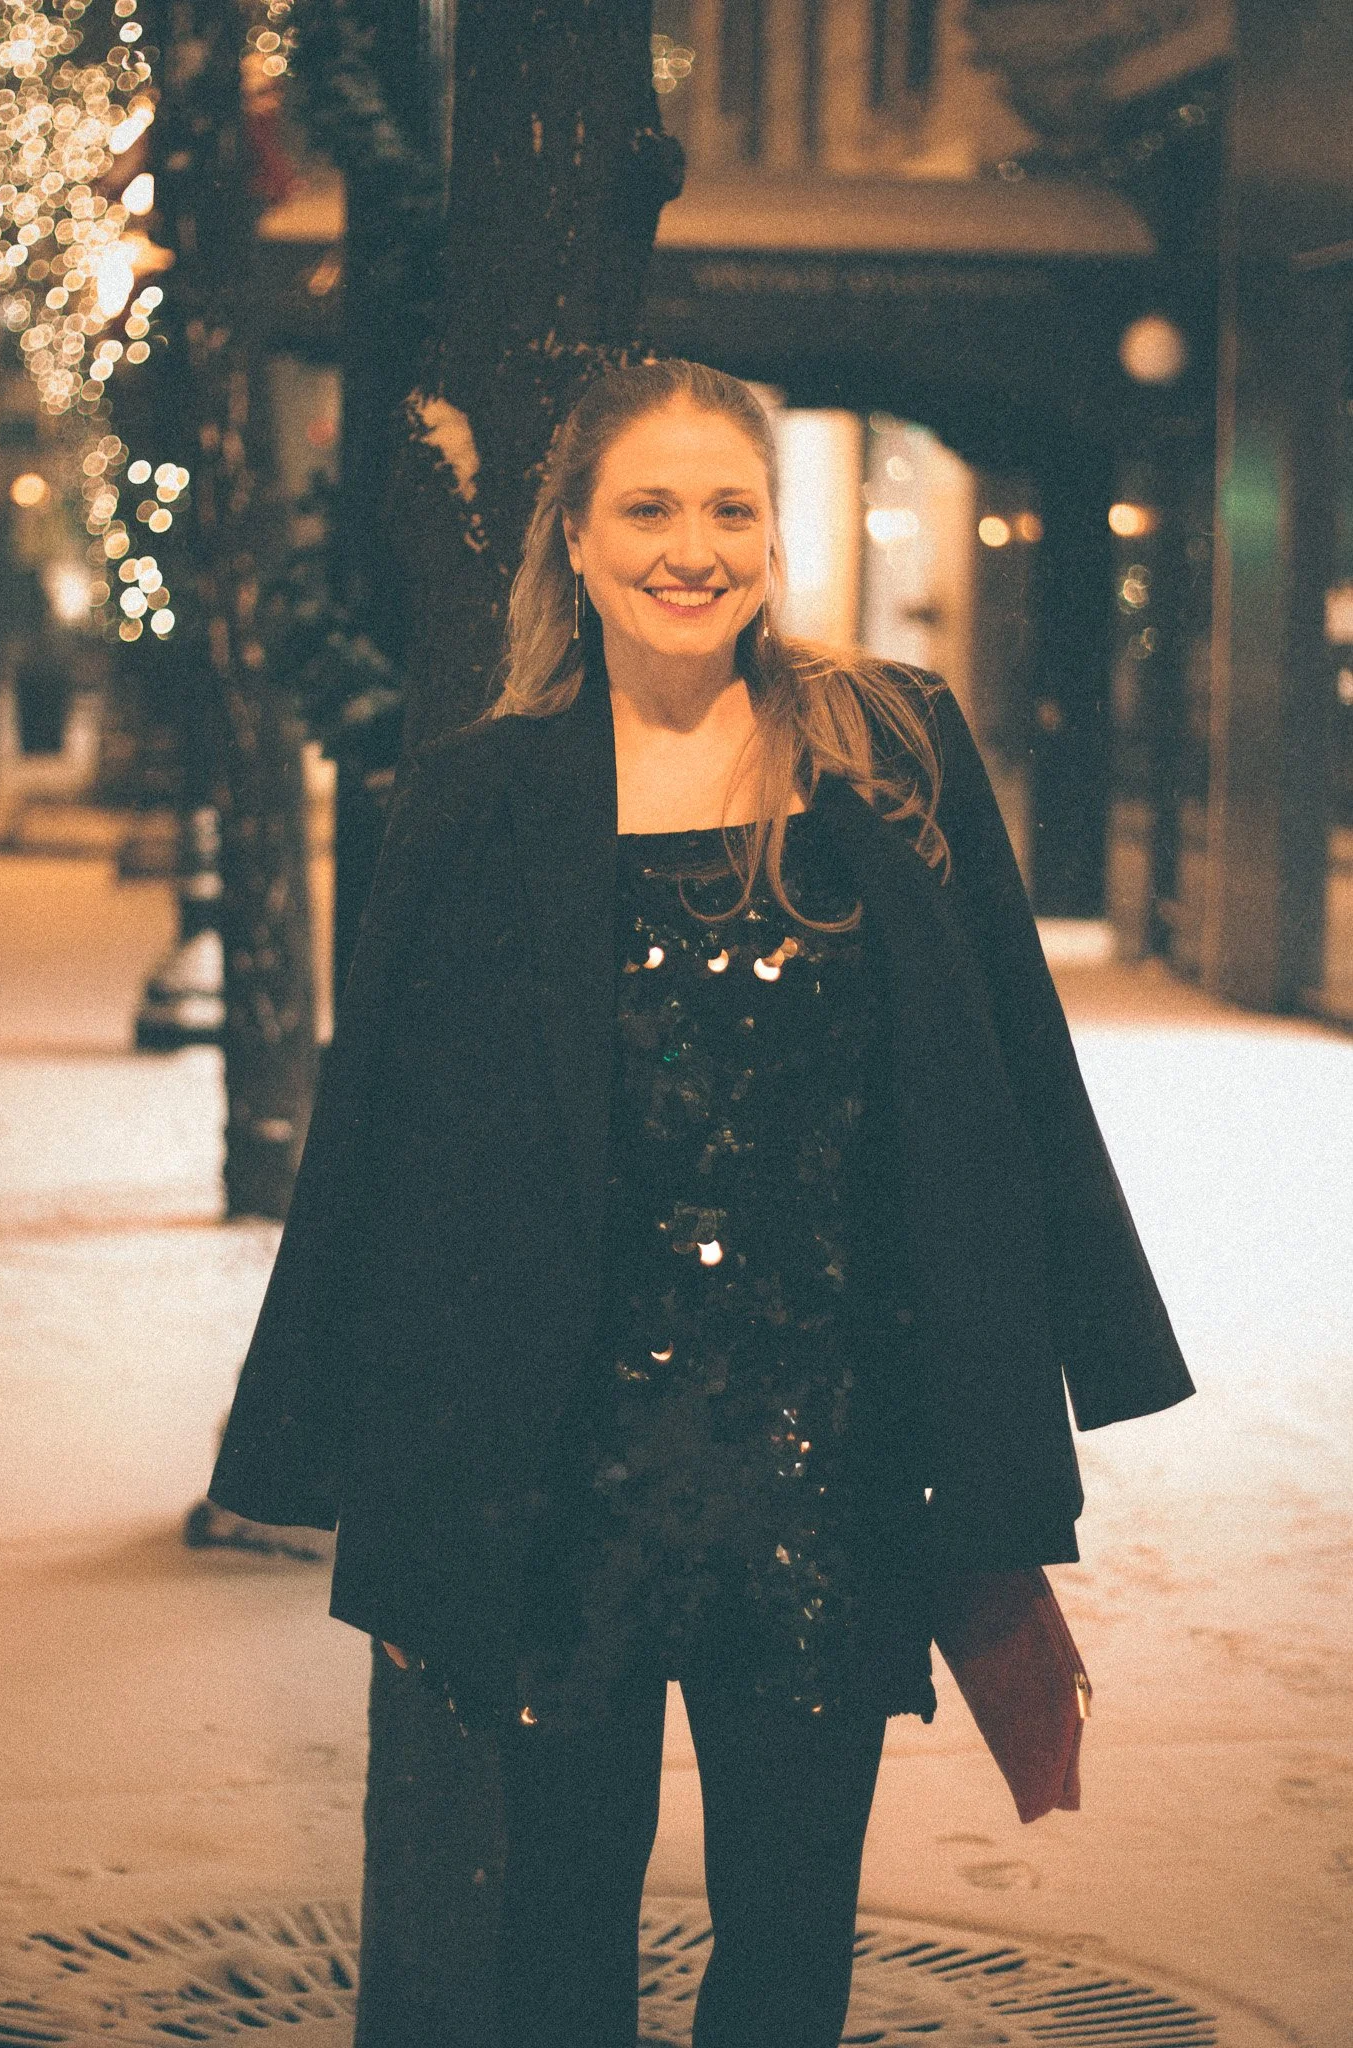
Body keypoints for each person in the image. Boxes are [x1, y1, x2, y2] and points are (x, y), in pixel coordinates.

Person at [208, 358, 1195, 2048]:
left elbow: (1011, 1083)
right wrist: (348, 1466)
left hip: (831, 1465)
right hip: (562, 1474)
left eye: (729, 508)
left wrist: (1061, 1374)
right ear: (575, 544)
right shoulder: (472, 799)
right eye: (648, 509)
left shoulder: (893, 750)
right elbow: (384, 1151)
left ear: (772, 534)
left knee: (792, 1944)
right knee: (561, 1944)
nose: (692, 548)